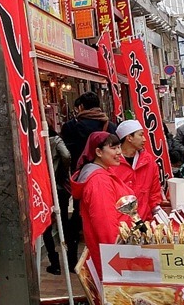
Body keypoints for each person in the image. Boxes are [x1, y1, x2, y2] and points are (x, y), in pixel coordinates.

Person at [60, 91, 117, 269]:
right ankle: (107, 257)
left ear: (81, 107)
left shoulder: (71, 126)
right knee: (105, 216)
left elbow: (66, 154)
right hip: (105, 174)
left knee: (78, 215)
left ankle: (72, 259)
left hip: (80, 175)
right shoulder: (110, 126)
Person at [70, 131, 134, 279]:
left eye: (119, 147)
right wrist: (118, 260)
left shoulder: (104, 172)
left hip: (116, 252)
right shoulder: (99, 181)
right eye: (113, 148)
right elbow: (105, 225)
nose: (119, 152)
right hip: (114, 258)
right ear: (98, 151)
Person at [112, 120, 163, 222]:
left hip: (144, 219)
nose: (144, 139)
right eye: (141, 135)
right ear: (129, 138)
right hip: (119, 224)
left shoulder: (148, 161)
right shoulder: (112, 162)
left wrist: (157, 210)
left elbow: (154, 192)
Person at [42, 123, 71, 275]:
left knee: (46, 224)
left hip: (41, 186)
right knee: (63, 220)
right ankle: (69, 259)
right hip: (58, 185)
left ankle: (55, 262)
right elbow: (66, 155)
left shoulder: (32, 140)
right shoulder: (55, 140)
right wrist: (62, 172)